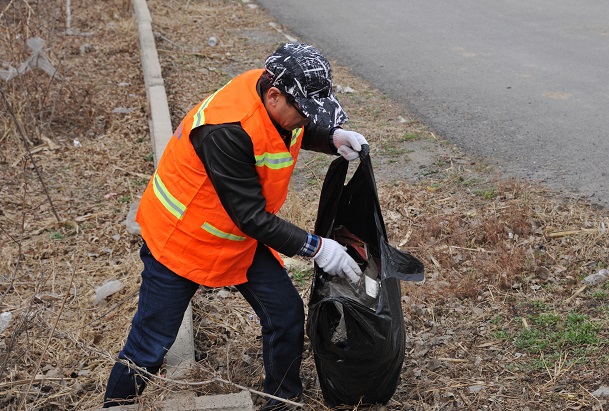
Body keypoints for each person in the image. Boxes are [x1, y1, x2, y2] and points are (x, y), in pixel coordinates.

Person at [103, 42, 369, 410]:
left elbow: (285, 130)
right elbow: (252, 217)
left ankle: (281, 400)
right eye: (305, 112)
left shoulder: (269, 95)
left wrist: (331, 138)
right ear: (274, 94)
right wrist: (318, 248)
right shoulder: (226, 129)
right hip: (180, 239)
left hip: (233, 237)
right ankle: (115, 406)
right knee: (151, 343)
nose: (307, 120)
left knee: (285, 314)